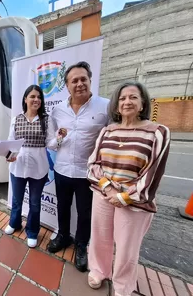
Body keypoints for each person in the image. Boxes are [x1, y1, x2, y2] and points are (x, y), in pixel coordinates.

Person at [86, 81, 170, 296]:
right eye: (122, 98)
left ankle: (123, 286)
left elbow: (153, 174)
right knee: (100, 237)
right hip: (104, 194)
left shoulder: (157, 132)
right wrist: (108, 189)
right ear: (116, 106)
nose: (127, 102)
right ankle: (99, 271)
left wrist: (124, 196)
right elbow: (94, 164)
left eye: (133, 97)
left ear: (142, 104)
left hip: (134, 201)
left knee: (127, 248)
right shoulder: (107, 131)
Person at [46, 61, 109, 272]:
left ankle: (81, 246)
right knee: (62, 207)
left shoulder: (105, 107)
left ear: (90, 80)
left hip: (87, 173)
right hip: (62, 170)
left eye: (84, 79)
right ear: (67, 85)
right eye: (74, 80)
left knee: (85, 213)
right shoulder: (57, 110)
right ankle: (63, 236)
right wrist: (59, 138)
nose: (80, 84)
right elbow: (51, 143)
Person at [4, 84, 51, 248]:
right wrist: (9, 155)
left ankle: (32, 231)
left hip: (39, 168)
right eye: (32, 96)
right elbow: (11, 143)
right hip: (18, 167)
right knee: (16, 200)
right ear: (25, 99)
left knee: (35, 202)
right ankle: (14, 223)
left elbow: (51, 143)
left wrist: (59, 139)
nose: (36, 99)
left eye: (39, 97)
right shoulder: (16, 119)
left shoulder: (46, 120)